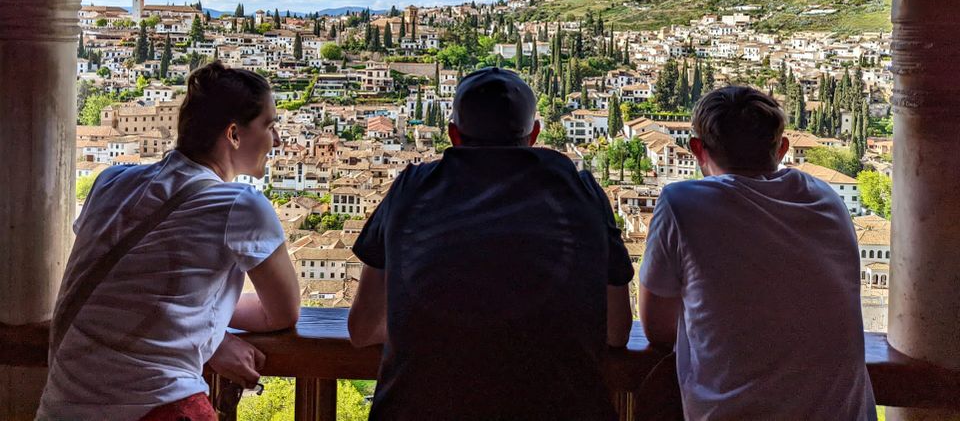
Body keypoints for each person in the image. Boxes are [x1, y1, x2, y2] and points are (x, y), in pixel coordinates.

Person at [348, 66, 634, 421]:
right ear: (534, 135)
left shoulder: (411, 189)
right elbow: (617, 331)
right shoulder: (582, 192)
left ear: (453, 135)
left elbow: (362, 330)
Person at [38, 61, 300, 421]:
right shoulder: (241, 205)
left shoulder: (110, 182)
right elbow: (282, 313)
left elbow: (123, 286)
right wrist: (211, 333)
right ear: (234, 134)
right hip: (157, 404)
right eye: (269, 126)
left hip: (61, 406)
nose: (278, 139)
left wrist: (210, 336)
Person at [638, 86, 877, 421]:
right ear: (782, 148)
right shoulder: (827, 199)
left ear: (697, 149)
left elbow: (658, 329)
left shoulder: (681, 203)